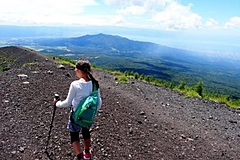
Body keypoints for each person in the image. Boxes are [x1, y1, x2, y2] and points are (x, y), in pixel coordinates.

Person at [53, 58, 102, 160]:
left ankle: (81, 158)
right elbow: (99, 104)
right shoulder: (94, 84)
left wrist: (57, 103)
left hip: (76, 116)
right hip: (88, 116)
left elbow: (67, 103)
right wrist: (89, 112)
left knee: (74, 136)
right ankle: (87, 153)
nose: (75, 70)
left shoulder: (75, 84)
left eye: (76, 69)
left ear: (79, 70)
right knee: (86, 132)